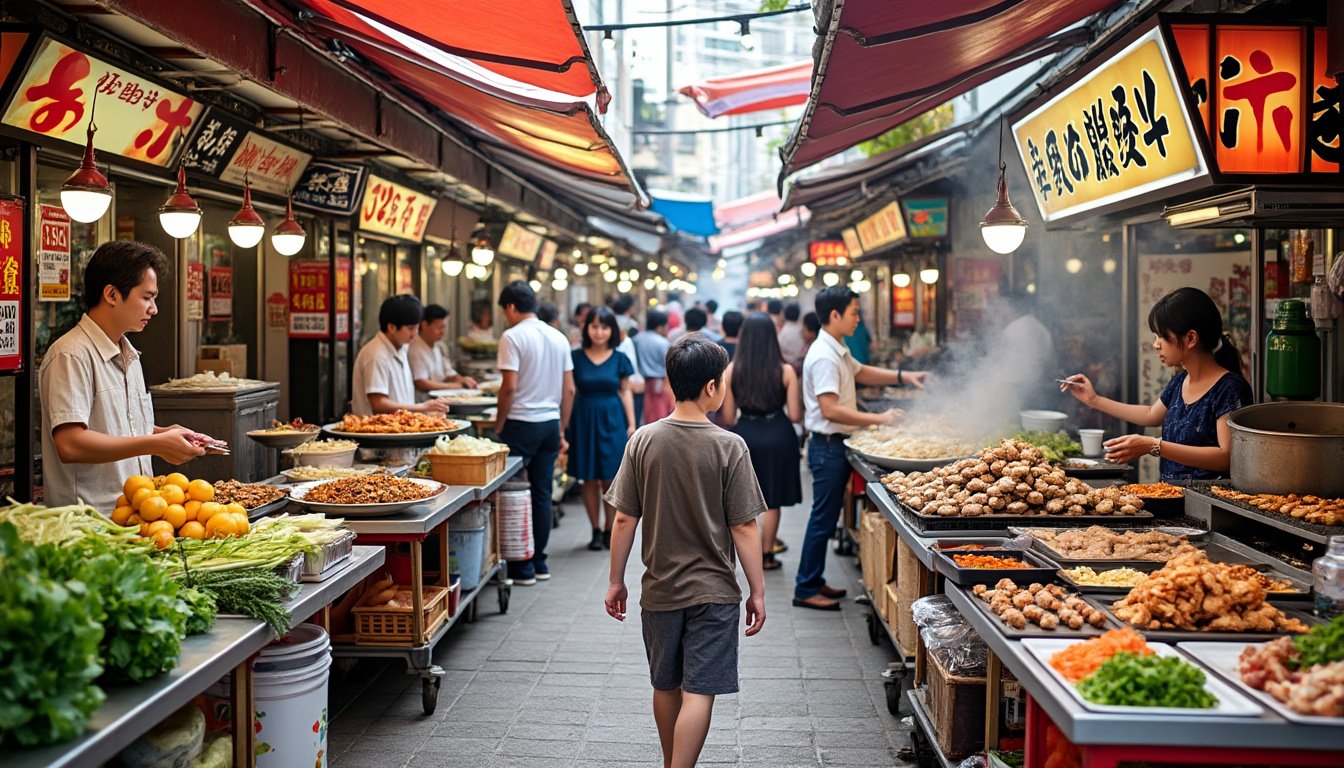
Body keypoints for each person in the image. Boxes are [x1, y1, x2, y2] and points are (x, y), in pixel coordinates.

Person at [604, 335, 766, 768]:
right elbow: (745, 527)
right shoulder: (729, 446)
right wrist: (758, 590)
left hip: (659, 590)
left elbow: (623, 519)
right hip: (713, 592)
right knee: (700, 691)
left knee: (665, 684)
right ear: (712, 387)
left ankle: (669, 762)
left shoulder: (643, 440)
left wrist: (616, 581)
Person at [39, 241, 210, 512]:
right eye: (147, 297)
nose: (153, 309)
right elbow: (70, 443)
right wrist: (155, 444)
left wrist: (167, 434)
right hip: (90, 524)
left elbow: (118, 427)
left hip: (136, 516)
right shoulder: (70, 355)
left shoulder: (129, 355)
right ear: (112, 294)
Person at [797, 287, 929, 610]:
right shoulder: (825, 356)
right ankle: (805, 588)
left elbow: (862, 372)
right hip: (828, 446)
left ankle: (813, 580)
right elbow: (829, 410)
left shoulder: (836, 347)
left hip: (833, 445)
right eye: (855, 313)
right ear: (834, 315)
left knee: (826, 519)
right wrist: (878, 418)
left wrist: (903, 376)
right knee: (822, 520)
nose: (859, 319)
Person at [1061, 287, 1253, 482]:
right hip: (1171, 497)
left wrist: (1154, 446)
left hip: (1210, 506)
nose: (1155, 345)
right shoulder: (1180, 381)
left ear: (1190, 338)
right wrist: (1094, 400)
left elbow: (1225, 457)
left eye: (1162, 336)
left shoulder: (1230, 389)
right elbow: (1151, 414)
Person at [495, 281, 576, 585]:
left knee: (511, 494)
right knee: (542, 494)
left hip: (520, 423)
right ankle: (539, 562)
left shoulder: (511, 336)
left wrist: (499, 425)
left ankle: (520, 565)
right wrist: (561, 427)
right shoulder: (558, 337)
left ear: (512, 307)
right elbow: (569, 389)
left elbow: (509, 387)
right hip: (549, 425)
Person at [719, 313, 803, 572]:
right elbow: (796, 414)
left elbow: (729, 416)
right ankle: (767, 555)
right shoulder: (785, 370)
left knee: (742, 499)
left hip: (746, 437)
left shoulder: (733, 369)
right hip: (779, 434)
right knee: (773, 499)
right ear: (772, 337)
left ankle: (744, 556)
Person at [569, 307, 637, 551]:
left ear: (613, 331)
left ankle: (610, 528)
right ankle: (595, 530)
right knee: (588, 478)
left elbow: (625, 390)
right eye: (594, 326)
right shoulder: (574, 357)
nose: (599, 332)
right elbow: (569, 392)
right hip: (584, 418)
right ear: (586, 328)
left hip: (612, 418)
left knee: (610, 477)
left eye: (605, 327)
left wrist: (631, 424)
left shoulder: (620, 358)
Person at [352, 295, 451, 416]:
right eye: (410, 328)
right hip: (377, 432)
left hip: (400, 429)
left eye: (417, 327)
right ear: (391, 327)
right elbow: (378, 403)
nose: (415, 333)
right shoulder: (376, 354)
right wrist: (420, 407)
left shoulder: (402, 347)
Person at [408, 304, 477, 402]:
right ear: (424, 325)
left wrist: (462, 379)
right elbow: (421, 383)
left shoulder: (438, 346)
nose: (443, 332)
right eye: (440, 327)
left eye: (445, 327)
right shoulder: (415, 348)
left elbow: (447, 374)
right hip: (423, 404)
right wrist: (456, 386)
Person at [633, 309, 674, 423]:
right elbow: (669, 366)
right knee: (658, 417)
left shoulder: (636, 339)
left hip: (639, 383)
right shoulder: (662, 342)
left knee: (642, 416)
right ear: (661, 326)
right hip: (659, 383)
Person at [777, 302, 806, 370]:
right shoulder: (802, 330)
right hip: (801, 366)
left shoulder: (782, 332)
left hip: (787, 367)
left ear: (785, 315)